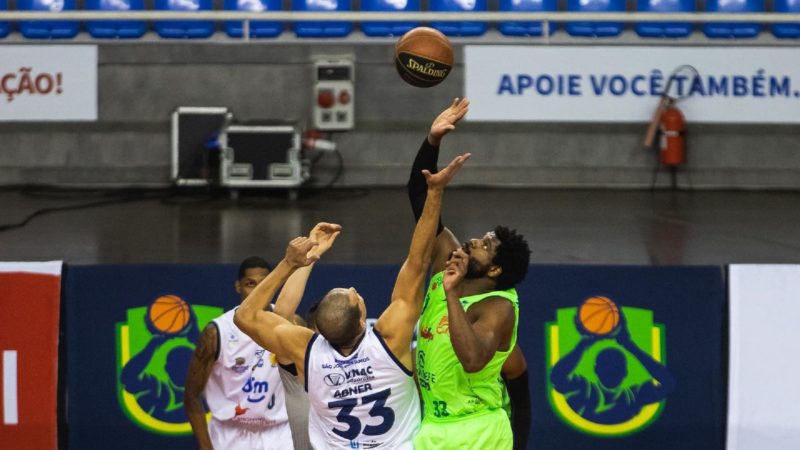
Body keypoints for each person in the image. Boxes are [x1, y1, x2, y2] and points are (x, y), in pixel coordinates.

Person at [233, 152, 470, 449]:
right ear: (362, 319)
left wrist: (289, 263)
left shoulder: (306, 352)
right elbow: (417, 261)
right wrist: (434, 194)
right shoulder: (389, 341)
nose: (356, 289)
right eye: (353, 295)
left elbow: (245, 316)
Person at [407, 98, 532, 450]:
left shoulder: (498, 305)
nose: (475, 240)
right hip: (434, 425)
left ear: (494, 269)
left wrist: (449, 294)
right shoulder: (450, 260)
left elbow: (475, 361)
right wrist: (432, 141)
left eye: (486, 245)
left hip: (479, 429)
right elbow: (420, 198)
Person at [184, 223, 340, 450]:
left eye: (263, 283)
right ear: (238, 286)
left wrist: (310, 254)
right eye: (250, 284)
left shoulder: (289, 321)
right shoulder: (217, 332)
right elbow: (191, 396)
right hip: (230, 433)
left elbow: (283, 310)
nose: (256, 290)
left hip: (280, 433)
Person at [550, 313, 675, 424]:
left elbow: (668, 383)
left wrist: (629, 345)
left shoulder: (633, 397)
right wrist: (583, 345)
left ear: (625, 372)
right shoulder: (584, 390)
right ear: (596, 370)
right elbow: (556, 377)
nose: (611, 371)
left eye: (616, 367)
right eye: (607, 367)